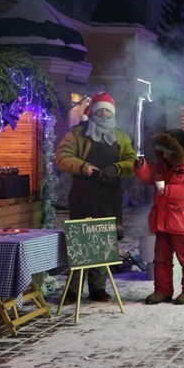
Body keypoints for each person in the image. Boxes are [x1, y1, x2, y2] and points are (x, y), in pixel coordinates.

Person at [56, 90, 136, 302]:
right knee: (80, 242)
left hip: (108, 196)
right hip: (84, 194)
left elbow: (132, 162)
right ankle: (73, 290)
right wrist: (84, 167)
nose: (103, 115)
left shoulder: (121, 136)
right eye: (100, 110)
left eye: (107, 111)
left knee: (103, 242)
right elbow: (62, 157)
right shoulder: (77, 133)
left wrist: (117, 168)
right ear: (92, 111)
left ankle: (98, 288)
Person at [134, 128, 184, 305]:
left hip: (182, 224)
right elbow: (149, 175)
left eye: (167, 153)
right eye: (162, 153)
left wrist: (168, 190)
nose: (164, 156)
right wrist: (141, 166)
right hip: (162, 222)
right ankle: (162, 290)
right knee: (161, 260)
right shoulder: (164, 167)